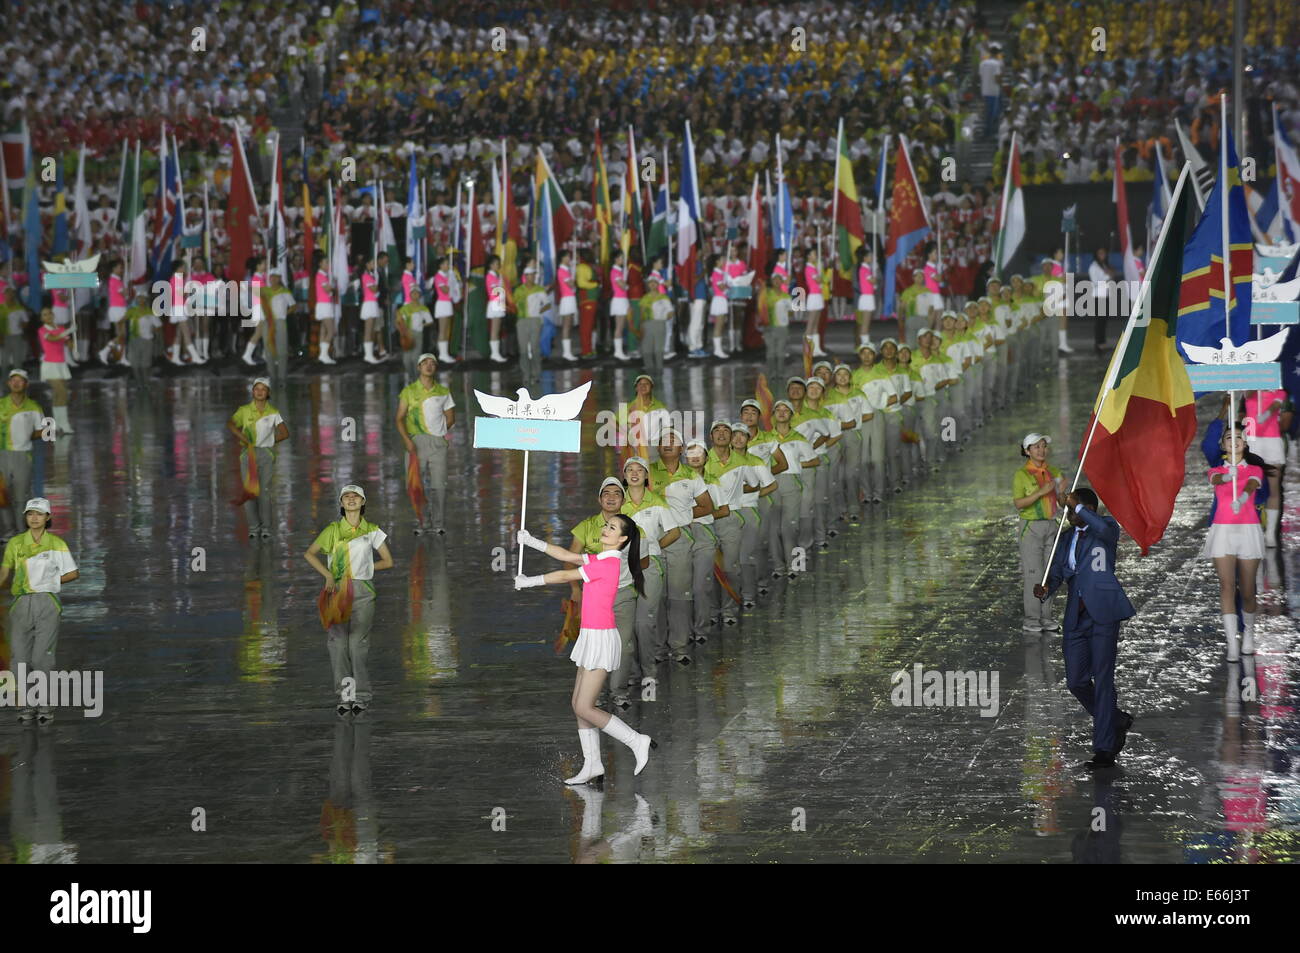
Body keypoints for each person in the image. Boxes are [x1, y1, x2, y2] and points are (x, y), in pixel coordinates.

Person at [515, 516, 656, 785]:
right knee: (578, 705)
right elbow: (567, 556)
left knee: (584, 706)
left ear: (623, 539)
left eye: (612, 528)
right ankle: (592, 765)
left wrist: (529, 582)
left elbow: (567, 575)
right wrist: (531, 541)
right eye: (607, 525)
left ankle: (637, 741)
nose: (605, 529)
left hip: (601, 638)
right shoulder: (600, 559)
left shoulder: (610, 564)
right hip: (591, 636)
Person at [1035, 488, 1135, 769]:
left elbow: (1101, 525)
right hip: (1075, 618)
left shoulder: (1106, 531)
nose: (1069, 514)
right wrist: (1045, 589)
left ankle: (1104, 748)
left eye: (1075, 509)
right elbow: (1056, 574)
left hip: (1103, 612)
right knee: (1076, 681)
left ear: (1090, 508)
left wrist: (1078, 508)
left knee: (1103, 679)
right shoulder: (1065, 539)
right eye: (1067, 510)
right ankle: (1115, 719)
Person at [305, 485, 394, 716]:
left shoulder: (372, 531)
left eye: (356, 496)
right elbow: (309, 553)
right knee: (338, 645)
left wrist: (364, 568)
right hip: (337, 591)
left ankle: (362, 696)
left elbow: (388, 561)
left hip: (363, 591)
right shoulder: (332, 530)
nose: (351, 499)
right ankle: (345, 698)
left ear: (363, 502)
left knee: (357, 645)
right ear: (342, 504)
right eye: (347, 496)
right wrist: (327, 575)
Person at [0, 497, 78, 725]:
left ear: (48, 517)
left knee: (42, 658)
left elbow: (73, 573)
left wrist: (50, 581)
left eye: (39, 514)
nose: (34, 518)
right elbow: (5, 573)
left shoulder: (56, 544)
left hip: (47, 603)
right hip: (21, 604)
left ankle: (45, 706)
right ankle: (25, 707)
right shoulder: (15, 544)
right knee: (19, 659)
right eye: (30, 514)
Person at [568, 478, 645, 708]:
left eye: (616, 494)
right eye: (606, 493)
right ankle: (595, 694)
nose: (611, 497)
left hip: (623, 594)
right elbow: (570, 558)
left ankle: (618, 691)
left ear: (623, 499)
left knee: (624, 644)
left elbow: (644, 560)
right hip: (595, 598)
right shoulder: (587, 526)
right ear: (599, 499)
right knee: (594, 645)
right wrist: (575, 590)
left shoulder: (633, 528)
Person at [649, 429, 716, 664]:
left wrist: (683, 516)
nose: (668, 444)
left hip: (680, 540)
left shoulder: (691, 476)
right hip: (652, 541)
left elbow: (707, 506)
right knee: (655, 596)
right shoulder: (646, 472)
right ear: (658, 448)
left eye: (673, 441)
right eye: (663, 441)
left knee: (679, 595)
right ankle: (657, 648)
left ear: (681, 449)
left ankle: (679, 646)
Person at [1201, 426, 1266, 660]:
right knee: (1227, 586)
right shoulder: (1215, 470)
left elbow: (1252, 484)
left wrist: (1243, 497)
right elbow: (1216, 479)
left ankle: (1248, 632)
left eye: (1239, 437)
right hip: (1223, 530)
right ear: (1222, 445)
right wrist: (1228, 477)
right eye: (1229, 437)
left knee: (1248, 590)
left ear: (1246, 444)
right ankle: (1231, 643)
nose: (1234, 440)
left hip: (1248, 530)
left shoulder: (1255, 469)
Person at [620, 456, 678, 682]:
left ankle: (649, 670)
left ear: (646, 476)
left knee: (644, 622)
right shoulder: (617, 503)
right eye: (629, 470)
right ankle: (632, 671)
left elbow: (674, 532)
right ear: (624, 475)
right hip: (622, 567)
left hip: (649, 567)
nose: (634, 473)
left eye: (639, 470)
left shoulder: (657, 502)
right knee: (627, 622)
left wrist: (653, 549)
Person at [396, 353, 456, 535]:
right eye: (425, 363)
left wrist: (439, 434)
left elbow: (451, 418)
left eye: (432, 364)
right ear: (418, 367)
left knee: (439, 485)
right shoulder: (408, 392)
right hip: (415, 443)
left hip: (438, 443)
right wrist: (407, 441)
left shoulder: (443, 392)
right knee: (416, 484)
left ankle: (438, 523)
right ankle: (421, 522)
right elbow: (399, 418)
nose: (429, 366)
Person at [1014, 433, 1067, 634]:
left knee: (1050, 573)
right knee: (1034, 574)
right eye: (1036, 447)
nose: (1041, 450)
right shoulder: (1022, 475)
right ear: (1027, 451)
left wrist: (1062, 490)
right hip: (1031, 527)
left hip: (1051, 525)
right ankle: (1031, 619)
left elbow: (1061, 493)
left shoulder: (1052, 471)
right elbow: (1018, 503)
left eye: (1043, 446)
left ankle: (1046, 617)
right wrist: (1041, 493)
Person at [228, 378, 289, 539]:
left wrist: (269, 441)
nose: (260, 392)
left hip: (266, 455)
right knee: (249, 491)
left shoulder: (273, 413)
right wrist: (242, 436)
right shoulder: (244, 410)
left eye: (263, 389)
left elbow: (285, 433)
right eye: (257, 389)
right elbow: (232, 424)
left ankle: (266, 529)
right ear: (253, 391)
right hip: (247, 454)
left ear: (268, 392)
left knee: (264, 492)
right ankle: (254, 529)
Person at [0, 370, 44, 541]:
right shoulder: (1, 404)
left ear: (26, 384)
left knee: (20, 497)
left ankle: (21, 532)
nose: (16, 383)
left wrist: (27, 436)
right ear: (8, 384)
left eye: (20, 381)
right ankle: (9, 532)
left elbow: (41, 430)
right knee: (2, 496)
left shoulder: (33, 407)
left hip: (23, 456)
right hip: (2, 455)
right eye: (13, 380)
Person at [1243, 387, 1288, 546]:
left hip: (1272, 442)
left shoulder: (1279, 390)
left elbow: (1276, 405)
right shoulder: (1250, 387)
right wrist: (1256, 383)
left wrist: (1267, 414)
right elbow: (1246, 394)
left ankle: (1270, 533)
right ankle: (1254, 531)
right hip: (1253, 440)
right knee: (1251, 487)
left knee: (1273, 488)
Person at [37, 309, 75, 437]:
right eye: (45, 314)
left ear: (54, 315)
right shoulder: (42, 330)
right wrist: (67, 331)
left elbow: (68, 343)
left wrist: (73, 346)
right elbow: (53, 339)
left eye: (50, 313)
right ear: (42, 318)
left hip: (61, 364)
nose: (48, 316)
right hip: (49, 365)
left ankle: (58, 424)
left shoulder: (61, 328)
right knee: (62, 392)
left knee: (58, 395)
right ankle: (64, 424)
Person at [513, 264, 551, 385]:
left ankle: (536, 374)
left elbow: (547, 304)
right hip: (522, 321)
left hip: (535, 321)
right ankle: (526, 375)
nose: (533, 277)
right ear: (526, 276)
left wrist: (538, 312)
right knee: (523, 349)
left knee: (535, 348)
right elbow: (513, 304)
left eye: (534, 274)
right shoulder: (519, 290)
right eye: (530, 275)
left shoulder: (539, 289)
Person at [261, 271, 295, 392]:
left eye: (276, 277)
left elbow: (293, 306)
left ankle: (282, 377)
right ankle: (271, 376)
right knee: (268, 349)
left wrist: (285, 314)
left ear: (280, 278)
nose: (274, 279)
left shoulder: (284, 292)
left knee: (282, 350)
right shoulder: (264, 291)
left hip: (280, 322)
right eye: (271, 277)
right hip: (268, 323)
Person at [637, 273, 672, 376]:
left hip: (660, 324)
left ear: (658, 284)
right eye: (650, 283)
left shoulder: (663, 297)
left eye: (654, 282)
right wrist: (640, 326)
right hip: (647, 325)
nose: (652, 284)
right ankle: (649, 371)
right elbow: (642, 313)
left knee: (658, 349)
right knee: (646, 350)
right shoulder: (645, 298)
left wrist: (665, 317)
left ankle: (659, 371)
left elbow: (670, 312)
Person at [124, 289, 160, 388]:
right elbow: (122, 321)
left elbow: (157, 326)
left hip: (147, 340)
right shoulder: (131, 311)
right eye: (139, 298)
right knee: (135, 364)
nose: (141, 300)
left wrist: (156, 339)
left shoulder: (150, 312)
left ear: (146, 299)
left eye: (143, 298)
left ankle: (146, 382)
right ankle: (139, 383)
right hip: (134, 339)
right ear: (136, 299)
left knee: (145, 364)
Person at [760, 271, 792, 383]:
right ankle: (772, 373)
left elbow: (791, 311)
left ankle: (780, 373)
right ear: (772, 282)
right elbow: (761, 307)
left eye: (779, 280)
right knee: (771, 351)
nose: (777, 282)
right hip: (769, 327)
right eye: (775, 280)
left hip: (782, 327)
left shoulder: (786, 296)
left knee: (780, 351)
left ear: (782, 282)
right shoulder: (767, 295)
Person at [395, 288, 434, 381]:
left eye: (417, 293)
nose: (415, 295)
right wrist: (402, 332)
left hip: (418, 334)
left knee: (416, 358)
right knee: (406, 360)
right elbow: (398, 322)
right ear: (410, 295)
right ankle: (411, 377)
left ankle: (417, 378)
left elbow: (430, 321)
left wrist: (421, 325)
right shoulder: (405, 309)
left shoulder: (423, 308)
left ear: (420, 295)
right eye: (413, 293)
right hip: (407, 335)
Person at [431, 256, 458, 364]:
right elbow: (445, 290)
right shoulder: (438, 277)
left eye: (448, 264)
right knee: (442, 330)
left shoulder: (447, 276)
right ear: (440, 266)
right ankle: (442, 355)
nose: (448, 266)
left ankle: (445, 353)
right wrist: (450, 281)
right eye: (446, 264)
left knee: (446, 330)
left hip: (447, 304)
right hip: (442, 304)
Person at [314, 251, 339, 365]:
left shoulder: (324, 275)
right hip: (324, 305)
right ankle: (324, 354)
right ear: (320, 264)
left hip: (325, 304)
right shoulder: (320, 275)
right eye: (326, 262)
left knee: (324, 330)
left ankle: (322, 355)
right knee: (331, 330)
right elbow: (327, 289)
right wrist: (333, 286)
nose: (328, 264)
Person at [555, 249, 579, 362]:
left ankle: (568, 352)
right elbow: (571, 284)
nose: (569, 259)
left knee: (568, 326)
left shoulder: (566, 270)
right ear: (562, 258)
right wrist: (573, 278)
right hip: (567, 299)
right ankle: (566, 352)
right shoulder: (562, 271)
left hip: (570, 299)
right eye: (568, 257)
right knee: (566, 326)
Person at [485, 254, 509, 363]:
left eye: (498, 263)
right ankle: (494, 354)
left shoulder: (496, 276)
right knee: (495, 330)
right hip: (495, 303)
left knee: (497, 329)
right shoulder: (490, 276)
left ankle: (496, 353)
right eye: (495, 263)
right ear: (490, 265)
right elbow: (495, 292)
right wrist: (500, 285)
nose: (497, 265)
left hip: (498, 303)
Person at [854, 247, 876, 348]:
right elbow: (872, 281)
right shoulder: (864, 269)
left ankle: (866, 345)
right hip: (866, 298)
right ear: (864, 258)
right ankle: (865, 346)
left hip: (868, 297)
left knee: (866, 324)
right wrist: (874, 278)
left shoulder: (866, 268)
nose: (871, 257)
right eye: (869, 256)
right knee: (865, 324)